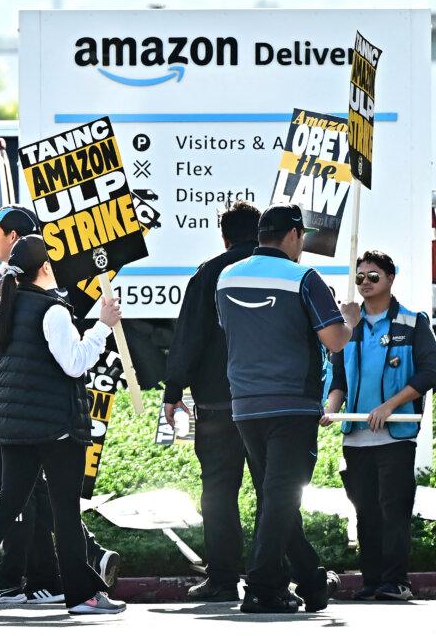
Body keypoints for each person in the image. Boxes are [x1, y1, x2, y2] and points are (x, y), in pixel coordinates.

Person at [0, 235, 126, 617]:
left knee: (8, 501)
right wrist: (103, 326)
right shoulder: (53, 310)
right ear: (44, 268)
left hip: (10, 425)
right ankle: (83, 596)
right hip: (57, 425)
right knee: (65, 511)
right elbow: (75, 363)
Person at [216, 203, 359, 614]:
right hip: (292, 403)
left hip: (244, 403)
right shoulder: (304, 277)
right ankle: (261, 586)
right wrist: (347, 319)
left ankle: (312, 581)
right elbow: (334, 340)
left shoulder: (227, 277)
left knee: (275, 497)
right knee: (281, 497)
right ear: (295, 235)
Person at [322, 250, 436, 601]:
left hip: (396, 434)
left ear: (390, 278)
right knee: (365, 512)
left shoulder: (411, 322)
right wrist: (330, 409)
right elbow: (337, 379)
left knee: (394, 510)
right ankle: (371, 581)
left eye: (373, 276)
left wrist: (389, 406)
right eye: (360, 278)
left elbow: (429, 371)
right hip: (355, 436)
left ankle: (396, 581)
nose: (366, 283)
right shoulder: (348, 327)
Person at [162, 200, 260, 602]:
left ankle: (222, 578)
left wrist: (173, 393)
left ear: (224, 236)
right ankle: (275, 574)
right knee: (276, 491)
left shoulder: (208, 275)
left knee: (218, 493)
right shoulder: (282, 273)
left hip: (218, 407)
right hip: (268, 405)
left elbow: (189, 337)